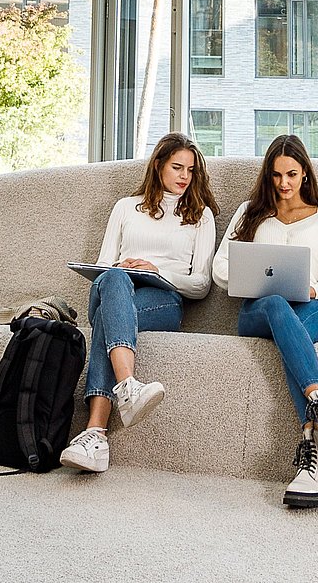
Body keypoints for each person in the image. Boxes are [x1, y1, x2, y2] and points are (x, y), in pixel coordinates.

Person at [59, 133, 218, 473]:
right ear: (158, 165)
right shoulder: (124, 207)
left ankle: (96, 433)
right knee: (113, 280)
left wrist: (156, 269)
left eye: (191, 170)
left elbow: (201, 284)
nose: (184, 177)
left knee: (106, 319)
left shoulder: (200, 216)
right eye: (177, 167)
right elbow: (103, 266)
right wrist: (120, 269)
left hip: (164, 301)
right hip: (114, 290)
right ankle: (129, 388)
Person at [212, 134, 318, 508]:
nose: (284, 183)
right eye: (276, 176)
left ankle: (314, 457)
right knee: (276, 301)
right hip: (258, 312)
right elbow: (219, 268)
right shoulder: (250, 212)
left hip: (309, 311)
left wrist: (314, 290)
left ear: (305, 173)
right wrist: (251, 280)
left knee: (293, 329)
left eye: (292, 174)